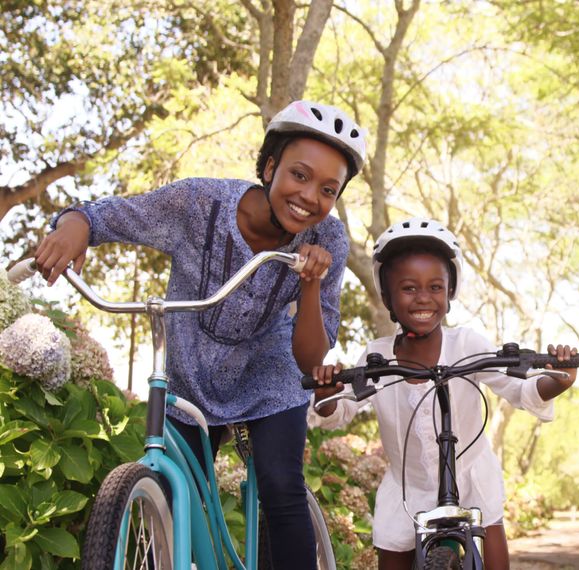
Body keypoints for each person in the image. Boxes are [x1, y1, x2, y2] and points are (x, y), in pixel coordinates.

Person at [33, 100, 365, 569]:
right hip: (189, 367)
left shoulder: (327, 239)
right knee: (169, 493)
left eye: (328, 189)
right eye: (299, 175)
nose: (311, 196)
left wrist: (310, 282)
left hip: (270, 370)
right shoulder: (198, 204)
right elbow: (107, 216)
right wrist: (75, 226)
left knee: (279, 483)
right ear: (270, 168)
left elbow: (311, 355)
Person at [308, 217, 579, 570]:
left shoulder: (466, 344)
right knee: (392, 559)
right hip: (408, 489)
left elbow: (519, 388)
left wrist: (558, 379)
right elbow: (339, 410)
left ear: (450, 293)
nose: (424, 297)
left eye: (435, 287)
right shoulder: (377, 357)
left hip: (470, 480)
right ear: (388, 296)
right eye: (408, 288)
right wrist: (329, 394)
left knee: (493, 546)